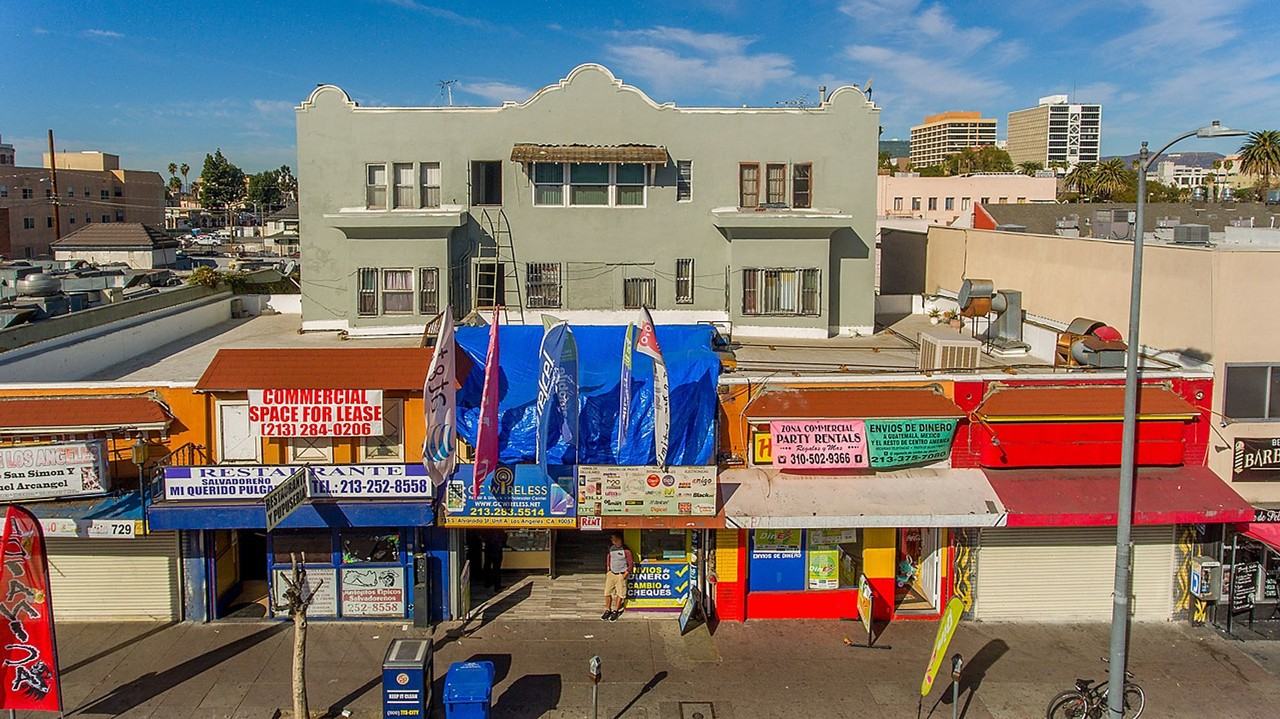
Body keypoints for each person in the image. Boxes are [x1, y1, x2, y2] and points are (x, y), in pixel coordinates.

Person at [602, 532, 634, 622]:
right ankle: (608, 609)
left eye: (615, 540)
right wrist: (608, 569)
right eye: (612, 540)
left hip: (621, 574)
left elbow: (630, 563)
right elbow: (609, 558)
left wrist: (625, 574)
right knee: (607, 593)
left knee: (620, 594)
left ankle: (616, 610)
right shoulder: (611, 549)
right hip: (611, 574)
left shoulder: (626, 550)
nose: (613, 541)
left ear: (620, 540)